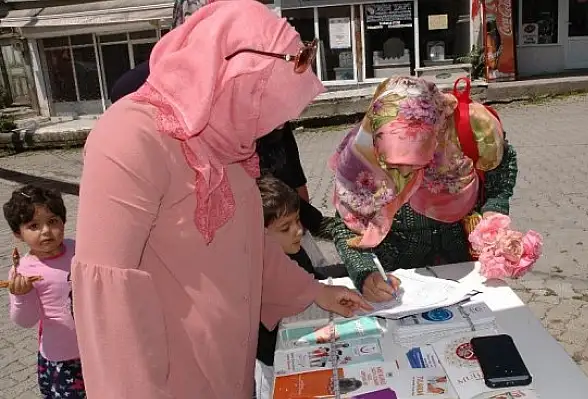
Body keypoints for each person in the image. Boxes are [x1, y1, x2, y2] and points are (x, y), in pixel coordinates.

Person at [70, 2, 371, 398]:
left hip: (228, 364)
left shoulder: (228, 138)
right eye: (267, 102)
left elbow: (248, 246)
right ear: (234, 77)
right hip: (170, 380)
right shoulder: (129, 138)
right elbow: (107, 298)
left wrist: (314, 291)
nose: (276, 125)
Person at [109, 0, 334, 240]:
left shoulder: (253, 90)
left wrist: (316, 224)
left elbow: (286, 161)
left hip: (263, 230)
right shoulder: (136, 109)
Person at [329, 76, 518, 302]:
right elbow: (344, 226)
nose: (407, 175)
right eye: (393, 166)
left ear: (433, 137)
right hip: (397, 280)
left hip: (465, 267)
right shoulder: (361, 159)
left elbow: (501, 170)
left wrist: (494, 215)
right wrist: (365, 274)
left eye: (418, 161)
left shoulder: (465, 135)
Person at [2, 185, 85, 399]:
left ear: (63, 222)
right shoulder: (22, 271)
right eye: (34, 226)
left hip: (96, 347)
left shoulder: (78, 249)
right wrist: (21, 296)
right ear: (17, 233)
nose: (46, 231)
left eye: (53, 221)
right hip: (62, 356)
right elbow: (26, 321)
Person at [254, 175, 325, 399]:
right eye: (285, 228)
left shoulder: (296, 251)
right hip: (274, 362)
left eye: (297, 221)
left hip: (304, 347)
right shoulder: (259, 272)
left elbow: (313, 284)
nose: (298, 231)